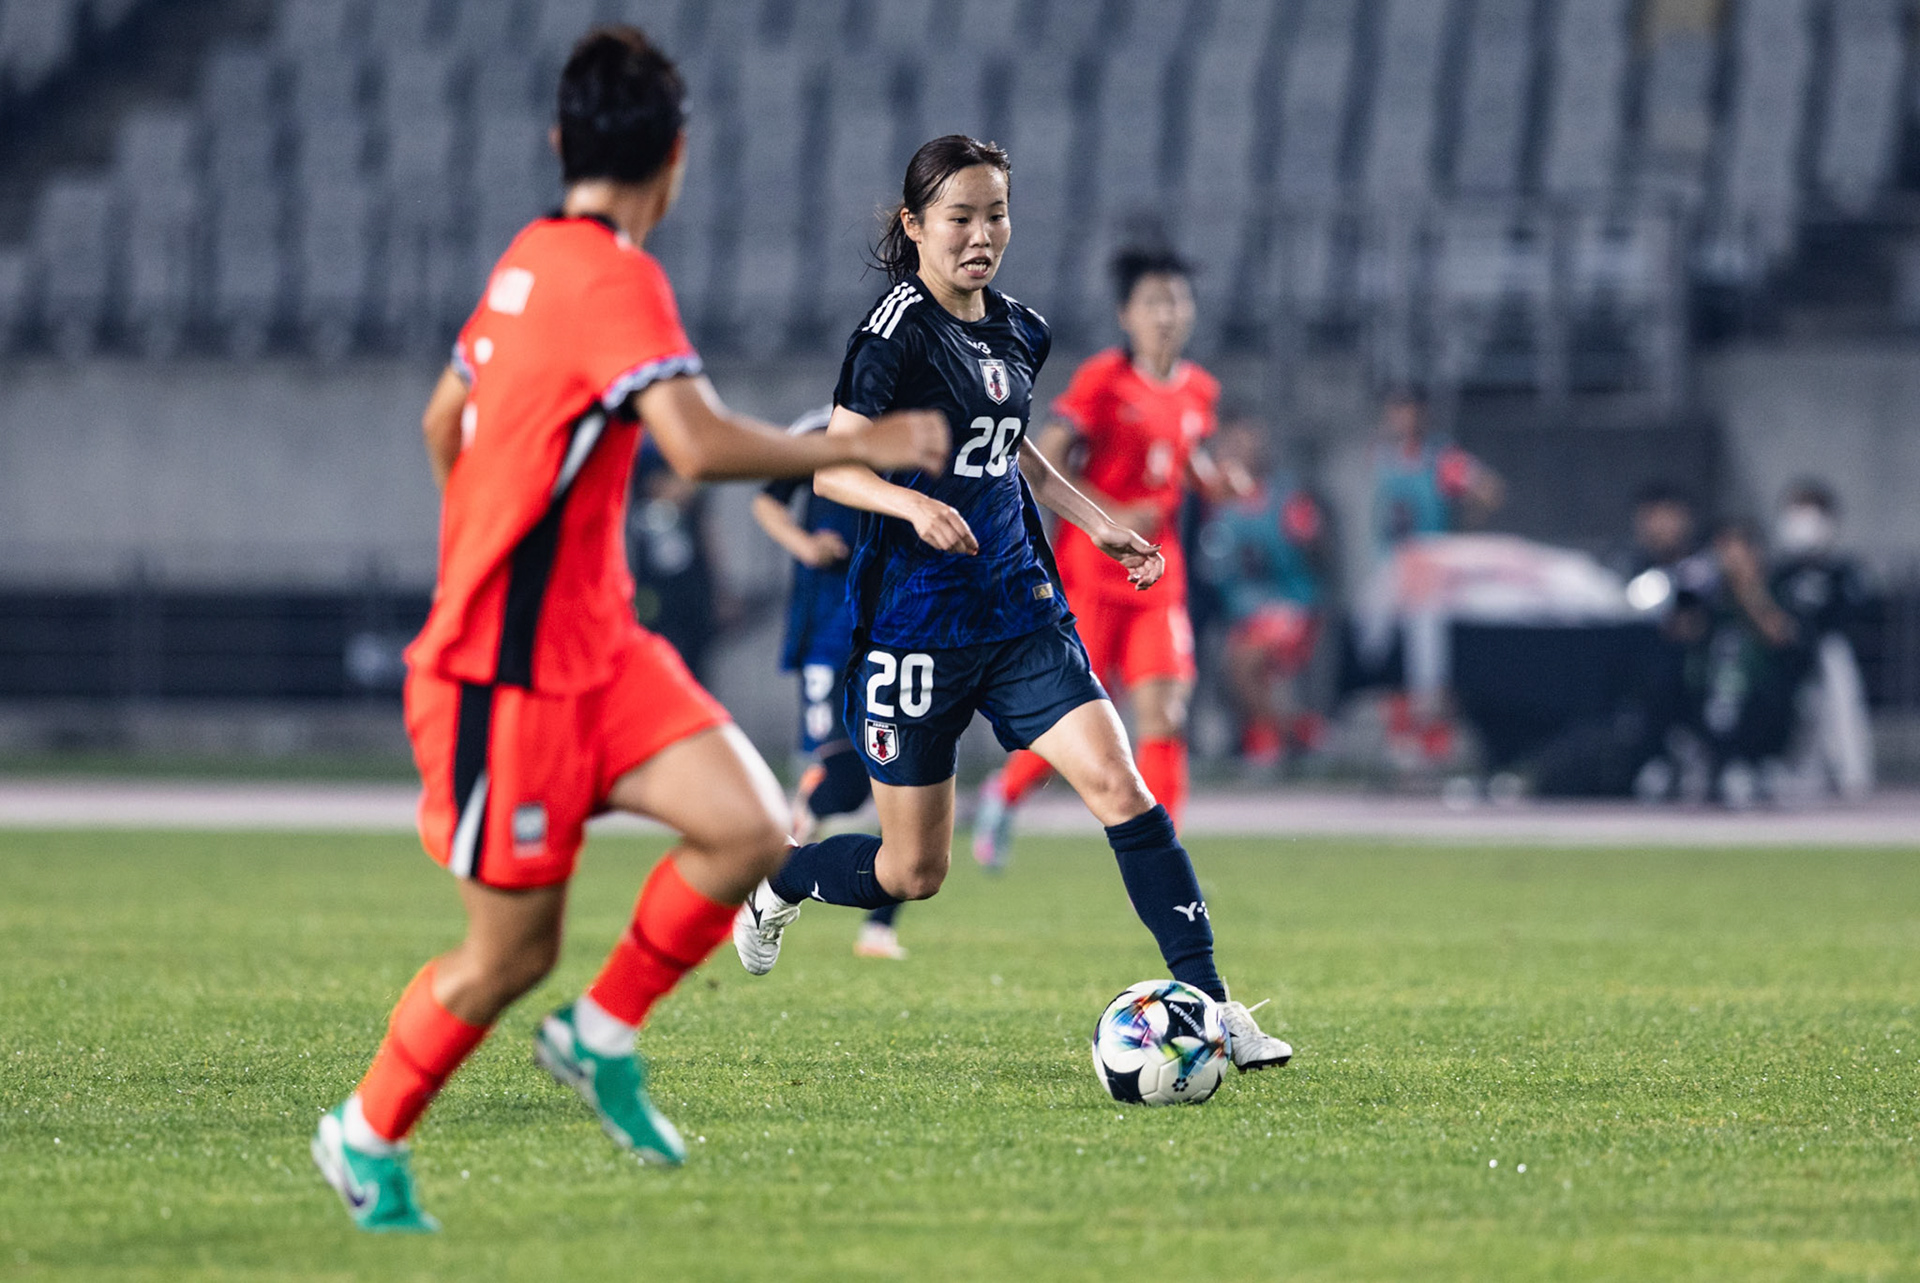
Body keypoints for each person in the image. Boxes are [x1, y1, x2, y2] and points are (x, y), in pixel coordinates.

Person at [309, 27, 946, 1233]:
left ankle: (599, 1037)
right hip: (506, 679)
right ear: (678, 159)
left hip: (596, 650)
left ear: (562, 143)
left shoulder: (526, 258)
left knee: (753, 825)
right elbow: (696, 446)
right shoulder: (616, 276)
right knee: (507, 955)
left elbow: (445, 419)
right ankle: (364, 1130)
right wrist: (850, 443)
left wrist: (506, 535)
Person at [729, 135, 1293, 1076]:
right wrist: (913, 502)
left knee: (1124, 786)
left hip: (1021, 609)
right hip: (915, 626)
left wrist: (1097, 520)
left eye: (995, 214)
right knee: (914, 873)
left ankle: (1217, 1006)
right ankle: (784, 875)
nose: (980, 234)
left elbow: (1015, 447)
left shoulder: (1019, 328)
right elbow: (835, 465)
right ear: (914, 227)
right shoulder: (893, 331)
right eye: (959, 217)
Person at [969, 244, 1249, 868]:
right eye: (1153, 302)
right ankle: (1004, 793)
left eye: (1176, 300)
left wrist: (1214, 480)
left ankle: (1161, 856)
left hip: (1159, 575)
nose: (1167, 313)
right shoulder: (1103, 381)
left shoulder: (1199, 390)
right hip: (1094, 574)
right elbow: (1047, 452)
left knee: (1166, 712)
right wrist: (1111, 515)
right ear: (1127, 315)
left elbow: (1188, 455)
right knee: (1073, 721)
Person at [750, 406, 907, 961]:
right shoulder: (817, 428)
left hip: (899, 626)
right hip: (829, 631)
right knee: (844, 778)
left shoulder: (917, 428)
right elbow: (768, 499)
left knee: (909, 781)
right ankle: (776, 865)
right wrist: (804, 544)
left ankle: (878, 928)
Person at [1368, 387, 1503, 764]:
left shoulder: (1440, 459)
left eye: (1407, 411)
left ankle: (1433, 737)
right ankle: (1400, 734)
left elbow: (1488, 490)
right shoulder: (1382, 456)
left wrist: (1461, 537)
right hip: (1391, 565)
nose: (1399, 419)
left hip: (1429, 566)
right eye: (1394, 411)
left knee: (1427, 654)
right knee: (1376, 644)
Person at [1197, 422, 1328, 770]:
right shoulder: (1218, 505)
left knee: (1242, 662)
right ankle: (1293, 736)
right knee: (1230, 664)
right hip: (1244, 614)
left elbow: (1315, 549)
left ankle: (1289, 737)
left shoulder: (1285, 498)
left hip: (1288, 608)